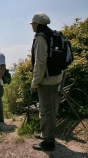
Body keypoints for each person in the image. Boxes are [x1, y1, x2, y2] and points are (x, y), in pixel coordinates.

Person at [29, 13, 62, 151]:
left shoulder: (41, 37)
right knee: (51, 108)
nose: (32, 26)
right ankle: (46, 134)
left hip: (46, 80)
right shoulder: (53, 34)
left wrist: (35, 82)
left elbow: (40, 62)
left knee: (46, 111)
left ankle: (48, 142)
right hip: (56, 77)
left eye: (33, 24)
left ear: (37, 24)